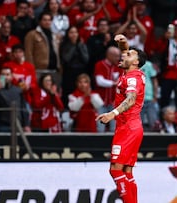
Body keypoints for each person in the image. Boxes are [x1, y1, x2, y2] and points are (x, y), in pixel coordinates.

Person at [96, 34, 147, 203]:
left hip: (128, 128)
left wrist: (112, 114)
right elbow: (126, 53)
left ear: (136, 62)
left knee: (115, 170)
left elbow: (131, 99)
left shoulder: (132, 78)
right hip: (132, 127)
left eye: (129, 54)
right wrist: (124, 43)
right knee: (126, 172)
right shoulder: (131, 71)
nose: (124, 54)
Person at [0, 67, 31, 132]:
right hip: (3, 124)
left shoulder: (18, 90)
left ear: (11, 76)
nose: (5, 77)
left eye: (7, 75)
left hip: (18, 123)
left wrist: (26, 125)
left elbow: (23, 108)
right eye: (3, 75)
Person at [60, 25, 90, 108]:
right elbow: (66, 58)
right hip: (69, 73)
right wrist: (73, 45)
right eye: (71, 32)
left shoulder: (82, 44)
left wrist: (79, 45)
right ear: (68, 34)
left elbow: (86, 59)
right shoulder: (64, 45)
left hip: (80, 72)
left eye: (75, 32)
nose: (74, 34)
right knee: (68, 92)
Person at [94, 46, 122, 132]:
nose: (118, 58)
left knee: (114, 128)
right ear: (109, 55)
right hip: (101, 102)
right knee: (100, 127)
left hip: (114, 102)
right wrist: (113, 83)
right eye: (116, 56)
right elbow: (100, 81)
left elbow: (121, 81)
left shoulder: (119, 66)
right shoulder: (100, 64)